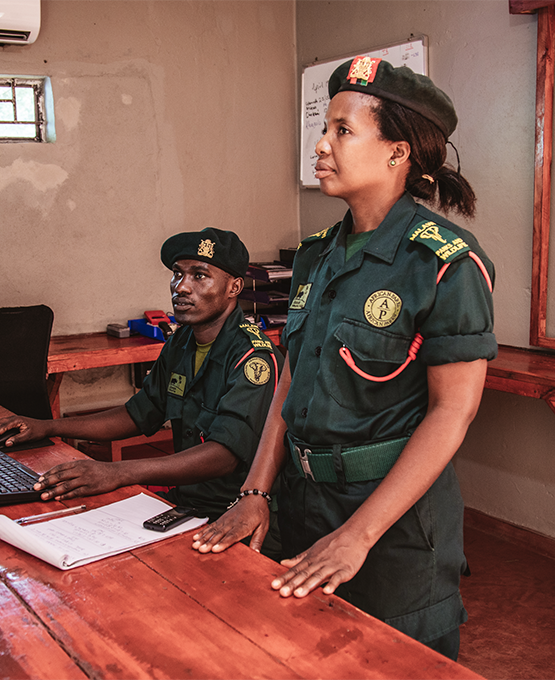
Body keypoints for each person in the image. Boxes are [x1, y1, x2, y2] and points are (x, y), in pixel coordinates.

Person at [190, 57, 496, 661]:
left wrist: (357, 536)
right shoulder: (315, 256)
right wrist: (255, 491)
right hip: (301, 502)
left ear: (397, 152)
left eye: (342, 131)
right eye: (324, 128)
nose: (321, 145)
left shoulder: (444, 264)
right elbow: (292, 380)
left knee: (399, 665)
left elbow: (451, 415)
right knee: (304, 656)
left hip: (392, 524)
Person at [0, 227, 283, 555]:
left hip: (235, 516)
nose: (181, 287)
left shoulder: (254, 358)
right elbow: (137, 413)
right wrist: (48, 426)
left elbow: (223, 454)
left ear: (234, 287)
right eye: (177, 274)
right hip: (187, 507)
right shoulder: (181, 342)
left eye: (199, 276)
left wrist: (118, 472)